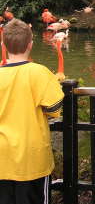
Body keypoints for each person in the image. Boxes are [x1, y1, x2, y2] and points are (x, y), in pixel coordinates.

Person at [0, 19, 64, 204]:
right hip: (31, 158)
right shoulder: (38, 72)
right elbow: (54, 107)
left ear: (3, 45)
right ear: (31, 44)